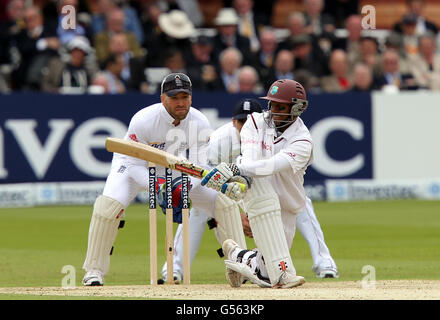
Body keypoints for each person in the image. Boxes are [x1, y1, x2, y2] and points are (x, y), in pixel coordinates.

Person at [82, 73, 247, 286]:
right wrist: (158, 186)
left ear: (191, 97)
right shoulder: (144, 120)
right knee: (107, 208)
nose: (180, 103)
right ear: (163, 99)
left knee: (224, 202)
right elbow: (134, 165)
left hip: (177, 168)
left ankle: (241, 266)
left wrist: (182, 186)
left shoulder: (199, 121)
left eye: (184, 97)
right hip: (133, 167)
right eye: (174, 97)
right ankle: (94, 271)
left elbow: (201, 167)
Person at [164, 96, 339, 285]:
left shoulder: (269, 134)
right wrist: (238, 212)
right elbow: (205, 179)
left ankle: (320, 262)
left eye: (249, 120)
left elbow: (265, 171)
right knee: (196, 211)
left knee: (300, 202)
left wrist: (251, 212)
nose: (245, 125)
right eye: (241, 121)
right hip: (221, 192)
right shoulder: (218, 141)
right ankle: (174, 268)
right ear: (233, 122)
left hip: (259, 190)